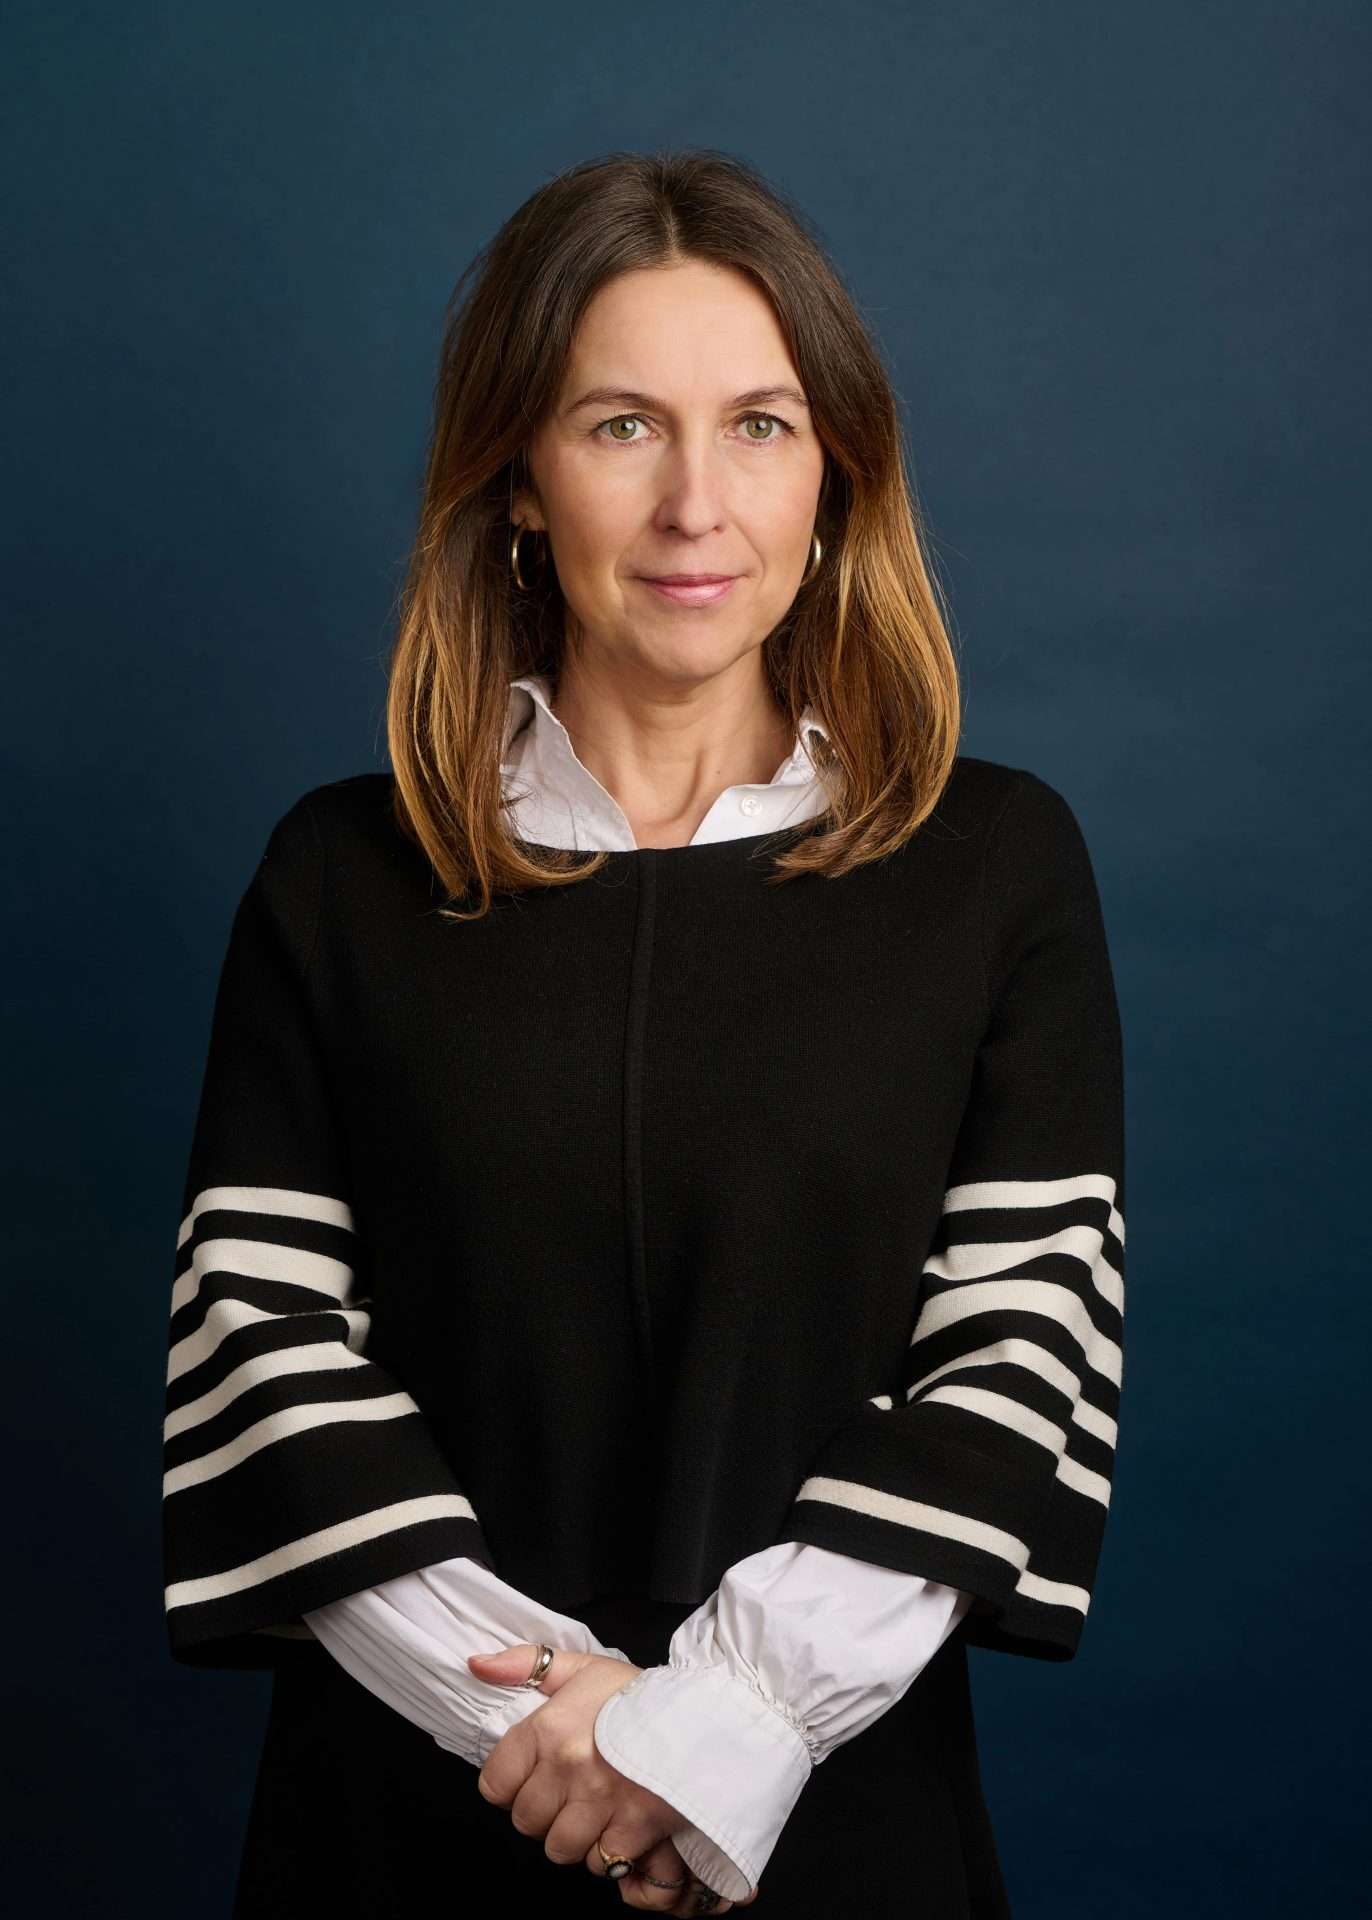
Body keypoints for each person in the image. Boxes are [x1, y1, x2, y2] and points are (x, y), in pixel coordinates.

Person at [161, 149, 1126, 1920]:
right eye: (623, 427)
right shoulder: (341, 879)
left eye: (758, 425)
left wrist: (721, 1727)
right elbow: (262, 1345)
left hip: (837, 1830)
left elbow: (1021, 1350)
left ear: (834, 473)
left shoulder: (991, 865)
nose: (697, 504)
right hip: (407, 1830)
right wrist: (564, 1734)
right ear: (520, 483)